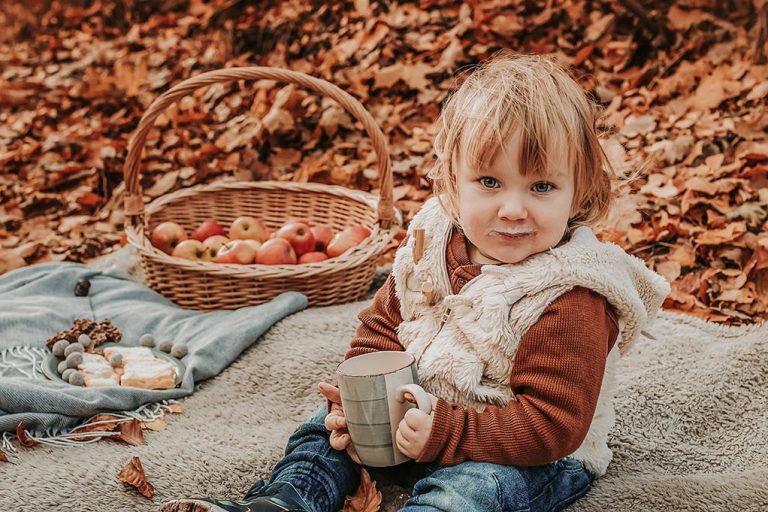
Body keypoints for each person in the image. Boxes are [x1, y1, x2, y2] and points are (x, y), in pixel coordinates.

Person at [162, 52, 670, 512]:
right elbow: (384, 325)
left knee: (474, 489)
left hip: (525, 450)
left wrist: (445, 433)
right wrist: (357, 399)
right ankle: (286, 500)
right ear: (451, 177)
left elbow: (551, 425)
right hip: (416, 416)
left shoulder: (570, 292)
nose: (513, 209)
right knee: (322, 430)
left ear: (579, 189)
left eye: (541, 187)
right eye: (489, 182)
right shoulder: (432, 241)